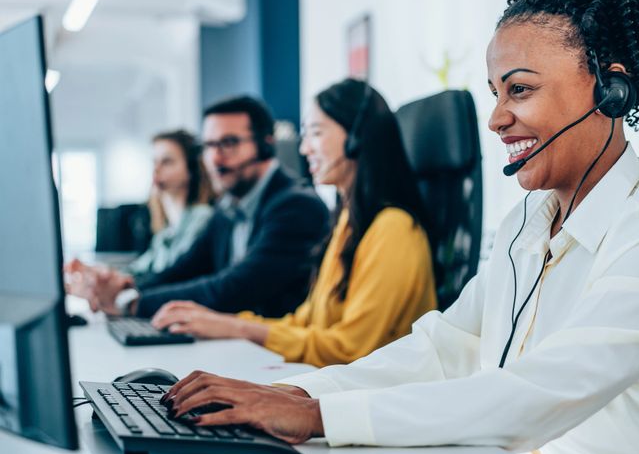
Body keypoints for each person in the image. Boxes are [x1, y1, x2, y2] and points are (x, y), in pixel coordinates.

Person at [162, 0, 639, 454]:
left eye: (522, 89)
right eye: (495, 93)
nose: (497, 118)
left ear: (609, 88)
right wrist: (290, 390)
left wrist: (319, 414)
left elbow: (541, 393)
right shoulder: (527, 227)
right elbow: (443, 346)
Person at [150, 79, 437, 368]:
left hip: (371, 398)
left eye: (315, 133)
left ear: (355, 136)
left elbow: (351, 348)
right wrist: (222, 323)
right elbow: (306, 321)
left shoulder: (393, 229)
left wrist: (238, 329)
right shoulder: (349, 222)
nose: (304, 149)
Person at [67, 96, 330, 319]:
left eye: (229, 143)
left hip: (279, 359)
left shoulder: (296, 206)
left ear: (265, 144)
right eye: (209, 146)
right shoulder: (228, 207)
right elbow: (185, 269)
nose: (215, 158)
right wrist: (126, 285)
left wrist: (131, 301)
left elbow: (234, 288)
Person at [65, 130, 214, 292]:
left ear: (191, 168)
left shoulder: (202, 217)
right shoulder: (167, 230)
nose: (156, 169)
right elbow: (139, 270)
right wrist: (95, 272)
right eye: (154, 162)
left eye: (167, 162)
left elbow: (174, 275)